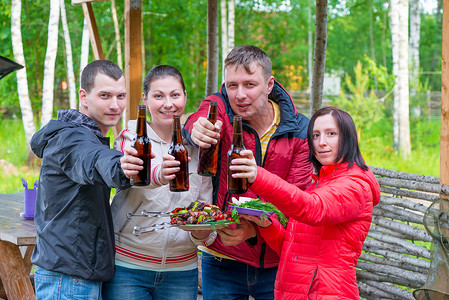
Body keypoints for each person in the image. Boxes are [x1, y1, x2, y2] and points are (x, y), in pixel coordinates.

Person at [182, 45, 313, 299]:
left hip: (277, 262)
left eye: (249, 84)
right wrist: (195, 128)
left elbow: (296, 203)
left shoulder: (299, 130)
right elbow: (199, 117)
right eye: (232, 85)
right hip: (222, 260)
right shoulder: (219, 107)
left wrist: (253, 231)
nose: (240, 95)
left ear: (269, 84)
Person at [231, 106, 381, 299]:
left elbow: (313, 208)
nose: (321, 143)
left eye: (331, 134)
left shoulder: (355, 186)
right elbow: (293, 250)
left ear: (349, 138)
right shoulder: (319, 183)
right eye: (316, 135)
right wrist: (267, 225)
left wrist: (258, 176)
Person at [102, 65, 213, 300]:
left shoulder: (197, 146)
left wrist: (204, 231)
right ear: (145, 99)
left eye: (175, 95)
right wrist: (160, 174)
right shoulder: (130, 138)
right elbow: (134, 173)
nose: (168, 104)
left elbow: (204, 207)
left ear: (185, 97)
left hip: (182, 271)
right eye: (158, 96)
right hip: (128, 268)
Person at [30, 60, 132, 299]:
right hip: (68, 281)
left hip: (75, 276)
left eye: (121, 96)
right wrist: (121, 165)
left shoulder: (84, 135)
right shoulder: (71, 139)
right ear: (84, 97)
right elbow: (93, 160)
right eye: (105, 95)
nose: (115, 105)